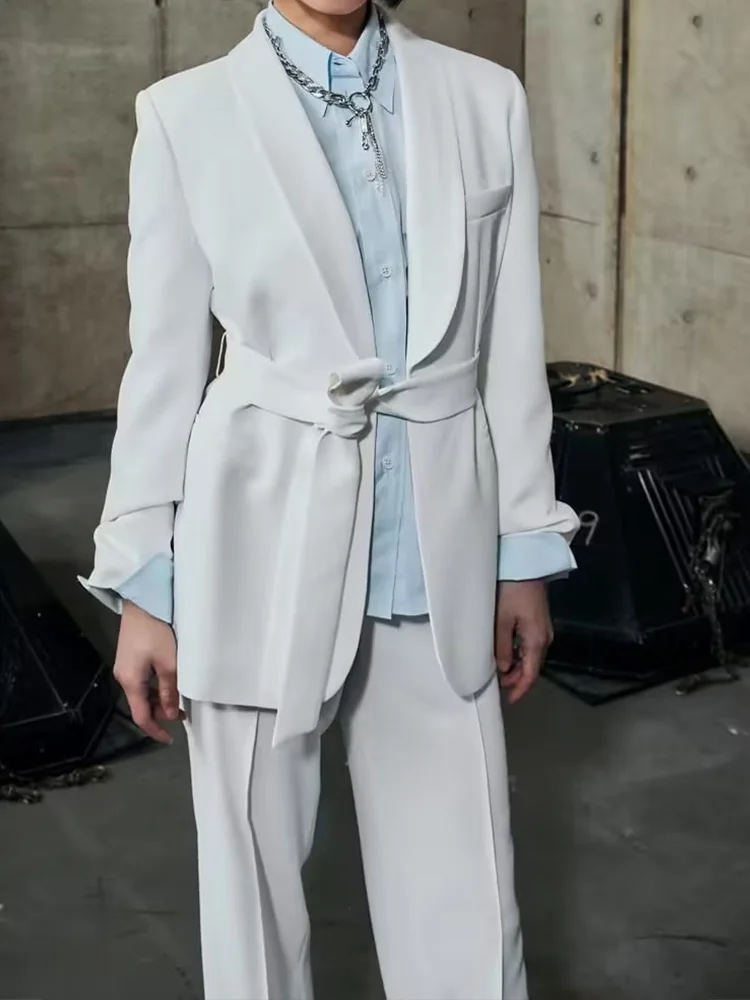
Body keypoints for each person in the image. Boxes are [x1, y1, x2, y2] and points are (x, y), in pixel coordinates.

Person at [80, 0, 579, 996]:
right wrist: (144, 580)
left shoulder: (486, 98)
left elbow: (511, 347)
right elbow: (163, 367)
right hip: (256, 541)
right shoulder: (186, 114)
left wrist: (523, 547)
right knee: (253, 902)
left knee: (469, 900)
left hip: (435, 549)